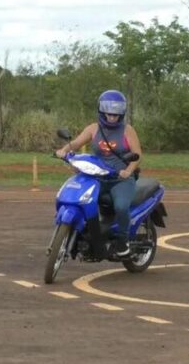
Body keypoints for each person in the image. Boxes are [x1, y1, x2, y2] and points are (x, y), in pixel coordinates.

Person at [55, 90, 142, 256]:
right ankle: (89, 234)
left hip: (120, 179)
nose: (112, 115)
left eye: (116, 111)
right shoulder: (94, 129)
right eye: (109, 110)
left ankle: (123, 242)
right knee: (82, 199)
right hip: (98, 177)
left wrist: (128, 170)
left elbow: (137, 154)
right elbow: (75, 143)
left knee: (121, 206)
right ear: (102, 109)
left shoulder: (127, 130)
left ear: (122, 111)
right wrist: (63, 151)